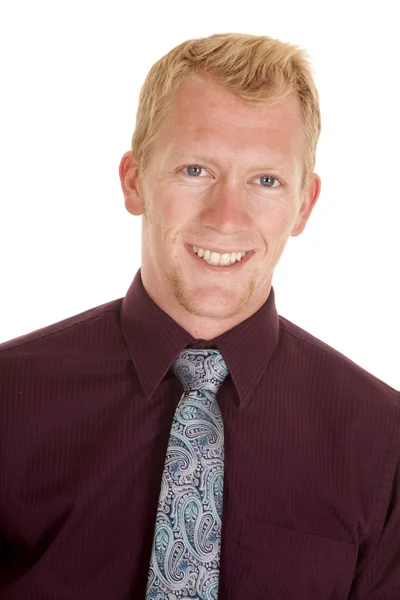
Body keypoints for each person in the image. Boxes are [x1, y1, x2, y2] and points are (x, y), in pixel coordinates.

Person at [0, 32, 399, 600]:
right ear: (134, 180)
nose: (227, 217)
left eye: (266, 180)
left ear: (304, 204)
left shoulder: (383, 442)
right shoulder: (8, 397)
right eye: (195, 170)